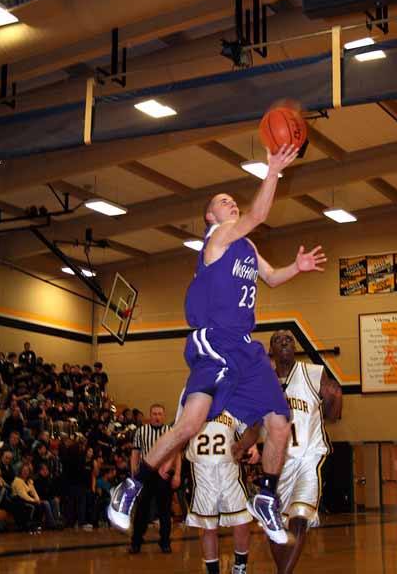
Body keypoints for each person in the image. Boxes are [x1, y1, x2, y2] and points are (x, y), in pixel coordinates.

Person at [109, 145, 327, 544]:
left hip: (245, 346)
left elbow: (273, 278)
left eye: (232, 200)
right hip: (215, 341)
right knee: (191, 423)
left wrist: (297, 267)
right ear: (211, 217)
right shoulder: (218, 239)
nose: (230, 202)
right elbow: (258, 214)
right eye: (222, 201)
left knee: (279, 422)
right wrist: (274, 168)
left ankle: (264, 495)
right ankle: (131, 485)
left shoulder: (246, 247)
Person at [234, 330, 342, 574]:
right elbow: (254, 425)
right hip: (278, 464)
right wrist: (241, 445)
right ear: (271, 350)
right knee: (275, 526)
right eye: (278, 339)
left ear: (295, 347)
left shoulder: (313, 372)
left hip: (308, 456)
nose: (284, 341)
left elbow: (333, 412)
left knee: (300, 518)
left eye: (289, 339)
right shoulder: (263, 383)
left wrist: (335, 399)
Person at [176, 390, 258, 574]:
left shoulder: (233, 393)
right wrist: (170, 461)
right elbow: (178, 431)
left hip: (229, 468)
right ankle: (213, 570)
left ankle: (240, 566)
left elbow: (246, 428)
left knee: (242, 520)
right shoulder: (190, 392)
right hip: (201, 468)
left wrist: (251, 445)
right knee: (208, 525)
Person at [122, 403, 181, 555]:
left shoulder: (170, 431)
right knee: (141, 510)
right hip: (145, 474)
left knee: (165, 511)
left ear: (164, 415)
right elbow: (135, 454)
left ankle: (165, 543)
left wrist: (177, 474)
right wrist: (134, 474)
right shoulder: (141, 431)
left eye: (159, 414)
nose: (156, 416)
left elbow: (177, 455)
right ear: (150, 415)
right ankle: (136, 543)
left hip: (164, 473)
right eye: (154, 414)